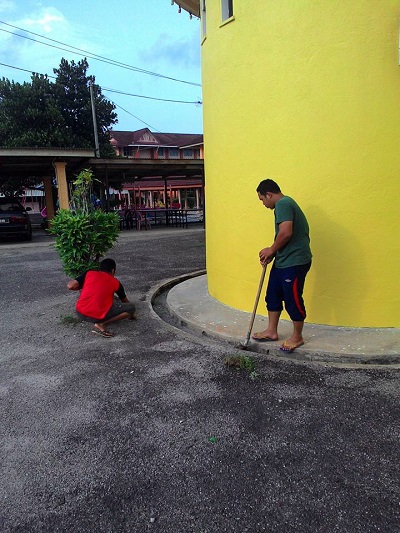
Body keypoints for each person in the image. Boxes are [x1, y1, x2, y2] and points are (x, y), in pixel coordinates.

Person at [252, 179, 312, 353]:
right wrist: (273, 253)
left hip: (295, 262)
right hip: (283, 260)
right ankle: (271, 331)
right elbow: (283, 237)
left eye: (262, 199)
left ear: (269, 194)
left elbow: (286, 233)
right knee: (273, 295)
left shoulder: (283, 204)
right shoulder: (283, 205)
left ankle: (297, 336)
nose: (263, 203)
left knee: (292, 299)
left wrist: (271, 249)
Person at [67, 258, 136, 338]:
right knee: (131, 307)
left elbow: (70, 286)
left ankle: (99, 319)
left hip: (80, 313)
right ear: (113, 271)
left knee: (112, 298)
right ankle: (101, 323)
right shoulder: (116, 282)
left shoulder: (89, 273)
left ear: (100, 268)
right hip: (96, 317)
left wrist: (82, 287)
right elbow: (125, 301)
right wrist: (131, 315)